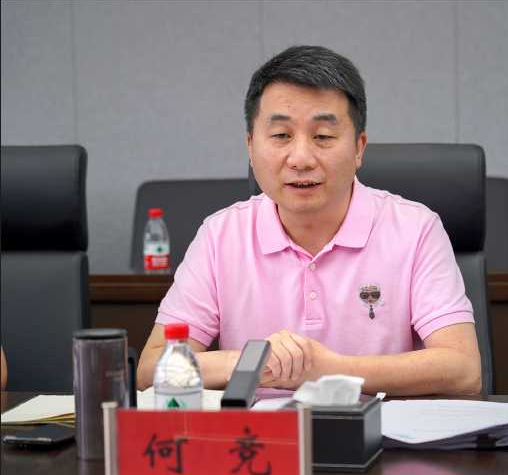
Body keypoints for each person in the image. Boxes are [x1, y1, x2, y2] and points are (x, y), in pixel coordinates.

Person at [137, 45, 481, 396]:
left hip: (381, 430)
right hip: (261, 431)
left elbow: (464, 369)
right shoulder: (219, 236)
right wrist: (254, 361)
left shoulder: (415, 229)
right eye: (281, 136)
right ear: (251, 147)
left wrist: (329, 370)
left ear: (358, 148)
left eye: (323, 137)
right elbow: (150, 371)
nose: (301, 158)